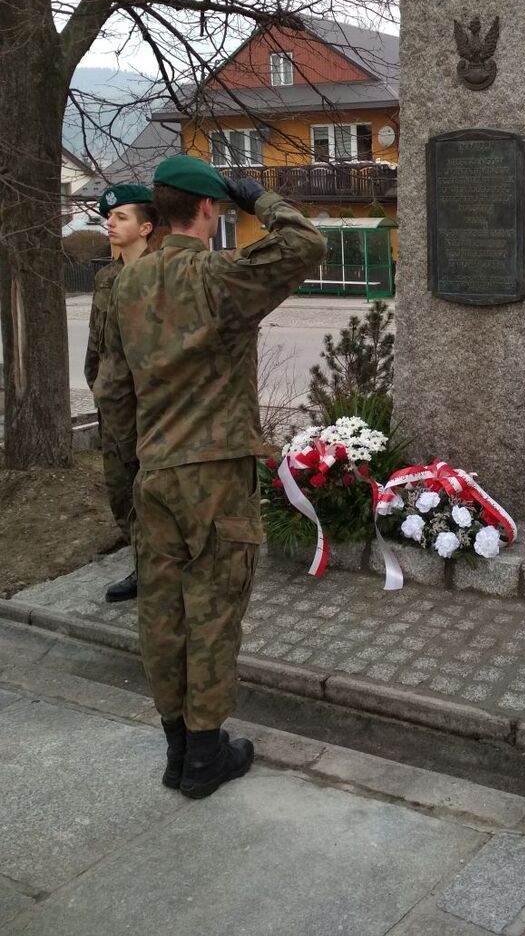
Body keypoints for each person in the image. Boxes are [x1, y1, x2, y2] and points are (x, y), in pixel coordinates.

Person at [95, 154, 325, 799]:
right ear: (206, 208)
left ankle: (177, 748)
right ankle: (204, 757)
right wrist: (261, 200)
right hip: (215, 476)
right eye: (220, 205)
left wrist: (131, 466)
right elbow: (306, 244)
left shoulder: (128, 283)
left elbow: (113, 388)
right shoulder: (220, 275)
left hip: (154, 472)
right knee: (213, 612)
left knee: (162, 614)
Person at [85, 184, 158, 603]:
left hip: (146, 408)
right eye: (108, 217)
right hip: (111, 406)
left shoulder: (159, 276)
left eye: (121, 217)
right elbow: (97, 345)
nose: (110, 223)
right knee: (120, 492)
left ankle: (155, 570)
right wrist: (96, 386)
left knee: (149, 491)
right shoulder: (106, 278)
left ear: (146, 227)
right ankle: (141, 562)